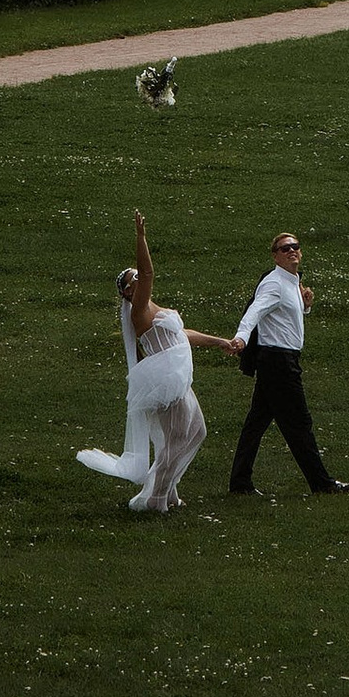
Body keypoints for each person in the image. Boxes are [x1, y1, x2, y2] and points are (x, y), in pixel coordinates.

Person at [78, 210, 237, 517]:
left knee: (197, 431)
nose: (137, 278)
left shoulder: (153, 307)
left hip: (177, 373)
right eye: (131, 279)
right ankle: (156, 497)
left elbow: (181, 334)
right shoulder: (138, 309)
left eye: (134, 275)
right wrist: (141, 237)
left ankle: (169, 489)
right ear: (127, 292)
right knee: (176, 439)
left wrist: (219, 341)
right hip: (167, 377)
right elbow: (148, 273)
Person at [228, 226, 349, 498]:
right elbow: (256, 311)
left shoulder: (292, 281)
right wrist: (240, 338)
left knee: (257, 422)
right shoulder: (274, 283)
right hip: (278, 362)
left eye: (295, 247)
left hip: (282, 359)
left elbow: (285, 318)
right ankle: (321, 483)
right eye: (285, 248)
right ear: (275, 256)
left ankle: (240, 482)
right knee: (299, 423)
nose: (292, 251)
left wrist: (306, 305)